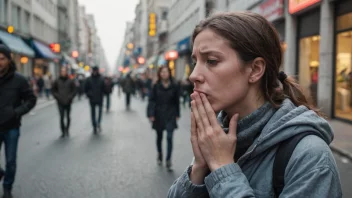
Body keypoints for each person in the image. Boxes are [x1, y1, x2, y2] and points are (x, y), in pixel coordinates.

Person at [168, 12, 342, 198]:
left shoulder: (310, 157)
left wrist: (222, 168)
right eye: (195, 62)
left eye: (211, 61)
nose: (194, 75)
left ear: (255, 69)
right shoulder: (216, 138)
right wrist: (199, 169)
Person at [0, 45, 37, 198]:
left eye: (2, 59)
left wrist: (16, 113)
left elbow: (31, 99)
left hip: (11, 127)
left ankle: (7, 188)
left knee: (11, 161)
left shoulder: (19, 80)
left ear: (9, 60)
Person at [147, 66, 180, 171]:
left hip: (170, 114)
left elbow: (176, 101)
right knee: (159, 137)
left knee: (170, 137)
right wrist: (151, 114)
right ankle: (160, 153)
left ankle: (168, 160)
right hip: (158, 114)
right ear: (160, 74)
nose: (164, 74)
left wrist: (177, 114)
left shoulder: (174, 86)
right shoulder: (156, 86)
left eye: (166, 72)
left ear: (169, 73)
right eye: (162, 72)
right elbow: (151, 100)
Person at [51, 67, 77, 138]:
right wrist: (57, 97)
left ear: (66, 72)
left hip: (68, 101)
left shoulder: (70, 81)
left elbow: (74, 90)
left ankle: (67, 130)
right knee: (61, 117)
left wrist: (70, 97)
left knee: (68, 116)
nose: (63, 72)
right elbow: (53, 90)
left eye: (64, 71)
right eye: (62, 71)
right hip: (60, 102)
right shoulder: (57, 81)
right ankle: (62, 131)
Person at [85, 66, 106, 134]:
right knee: (93, 113)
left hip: (100, 98)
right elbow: (86, 88)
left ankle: (98, 123)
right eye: (93, 71)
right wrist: (89, 94)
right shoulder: (89, 79)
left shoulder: (101, 79)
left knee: (100, 112)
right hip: (92, 98)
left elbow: (104, 88)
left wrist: (102, 94)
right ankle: (94, 125)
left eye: (95, 71)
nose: (94, 72)